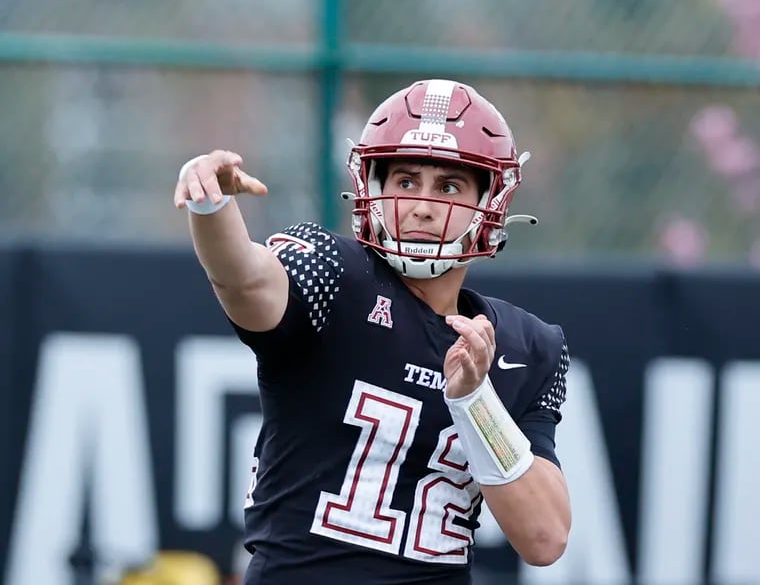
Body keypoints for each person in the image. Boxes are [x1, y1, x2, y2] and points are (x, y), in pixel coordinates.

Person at [174, 79, 571, 585]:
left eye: (448, 187)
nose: (424, 206)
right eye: (406, 182)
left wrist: (476, 403)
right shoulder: (336, 275)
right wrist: (211, 206)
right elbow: (245, 279)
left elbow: (545, 538)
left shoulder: (524, 346)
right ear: (373, 188)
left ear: (491, 200)